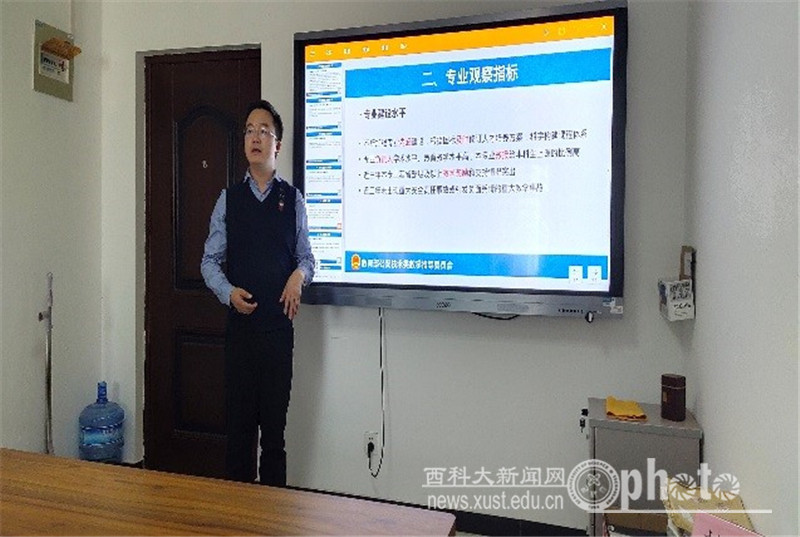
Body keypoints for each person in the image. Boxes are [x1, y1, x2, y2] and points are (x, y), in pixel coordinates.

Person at [201, 100, 314, 486]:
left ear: (277, 144)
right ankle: (238, 515)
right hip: (241, 336)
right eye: (250, 130)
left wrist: (298, 275)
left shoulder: (293, 200)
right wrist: (228, 292)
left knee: (275, 439)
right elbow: (209, 262)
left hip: (278, 334)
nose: (255, 137)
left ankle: (273, 514)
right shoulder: (228, 199)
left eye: (264, 131)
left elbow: (307, 258)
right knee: (239, 437)